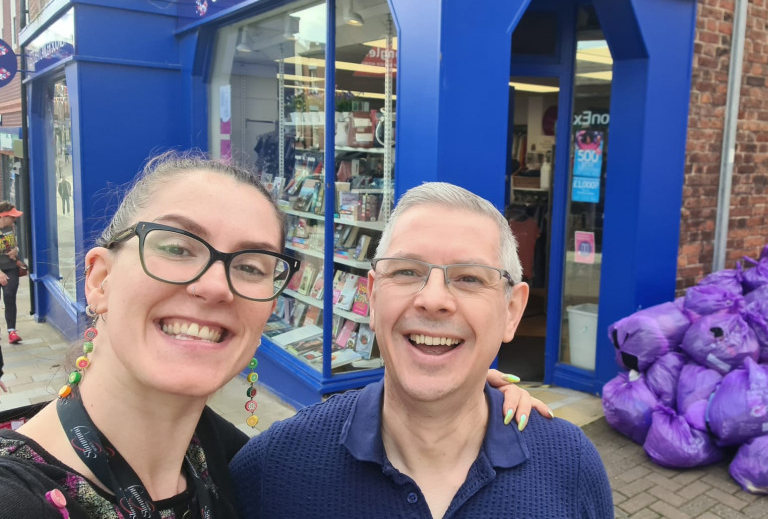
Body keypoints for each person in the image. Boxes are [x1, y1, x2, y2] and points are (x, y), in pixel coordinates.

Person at [0, 153, 547, 518]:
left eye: (252, 265)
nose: (214, 286)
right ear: (99, 278)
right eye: (177, 246)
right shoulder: (17, 498)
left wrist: (458, 394)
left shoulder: (230, 462)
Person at [231, 182, 615, 518]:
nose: (433, 300)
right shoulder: (275, 467)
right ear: (373, 295)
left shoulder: (571, 467)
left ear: (511, 311)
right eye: (406, 271)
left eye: (468, 278)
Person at [0, 202, 24, 345]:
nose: (14, 219)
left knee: (9, 297)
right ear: (3, 216)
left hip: (11, 267)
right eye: (12, 217)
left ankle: (12, 331)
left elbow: (14, 244)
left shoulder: (10, 227)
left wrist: (16, 250)